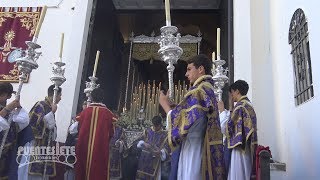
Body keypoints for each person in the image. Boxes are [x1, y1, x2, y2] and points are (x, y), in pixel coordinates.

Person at [159, 54, 225, 180]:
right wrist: (177, 109)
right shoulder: (207, 89)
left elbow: (188, 122)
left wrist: (165, 105)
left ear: (200, 69)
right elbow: (194, 115)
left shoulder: (198, 91)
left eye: (189, 69)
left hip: (193, 150)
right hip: (201, 147)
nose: (186, 74)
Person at [218, 80, 258, 180]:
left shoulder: (240, 107)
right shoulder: (248, 105)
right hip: (247, 148)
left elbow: (227, 128)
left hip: (239, 150)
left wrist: (222, 111)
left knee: (237, 175)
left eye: (232, 92)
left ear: (237, 91)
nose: (231, 95)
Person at [75, 88, 116, 180]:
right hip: (100, 148)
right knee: (98, 171)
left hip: (83, 147)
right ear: (103, 98)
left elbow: (78, 127)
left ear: (92, 97)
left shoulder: (84, 112)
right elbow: (112, 133)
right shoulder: (108, 114)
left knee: (82, 170)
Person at [28, 84, 62, 180]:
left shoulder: (50, 106)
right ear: (54, 95)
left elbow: (52, 127)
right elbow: (33, 124)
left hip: (47, 146)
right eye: (60, 95)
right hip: (38, 145)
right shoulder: (40, 105)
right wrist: (52, 113)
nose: (61, 98)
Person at [0, 82, 33, 180]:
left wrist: (18, 108)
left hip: (7, 153)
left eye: (3, 95)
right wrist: (6, 109)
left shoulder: (10, 111)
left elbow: (23, 122)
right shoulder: (6, 109)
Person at [135, 115, 169, 180]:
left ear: (160, 124)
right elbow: (137, 141)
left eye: (157, 126)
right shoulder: (147, 131)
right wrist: (143, 143)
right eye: (154, 125)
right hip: (144, 160)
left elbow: (167, 148)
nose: (155, 127)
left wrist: (161, 152)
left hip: (155, 161)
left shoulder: (164, 134)